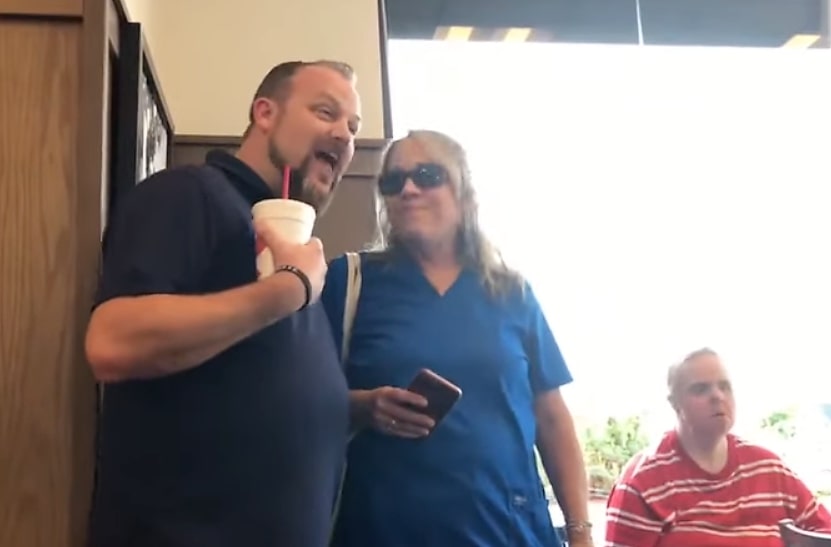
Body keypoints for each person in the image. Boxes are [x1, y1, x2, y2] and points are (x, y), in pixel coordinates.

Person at [85, 60, 362, 547]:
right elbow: (114, 342)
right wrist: (289, 289)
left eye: (354, 128)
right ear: (265, 113)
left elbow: (243, 396)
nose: (343, 135)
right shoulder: (190, 195)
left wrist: (352, 408)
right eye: (326, 112)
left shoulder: (293, 249)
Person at [321, 130, 594, 547]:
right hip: (385, 531)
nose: (409, 189)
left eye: (428, 175)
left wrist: (580, 534)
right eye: (393, 182)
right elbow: (297, 401)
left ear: (466, 196)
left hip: (510, 531)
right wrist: (363, 406)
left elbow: (552, 419)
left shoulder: (510, 293)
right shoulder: (350, 283)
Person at [604, 348, 831, 547]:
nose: (717, 396)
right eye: (700, 389)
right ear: (674, 403)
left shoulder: (769, 469)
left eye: (724, 386)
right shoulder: (642, 482)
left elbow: (826, 533)